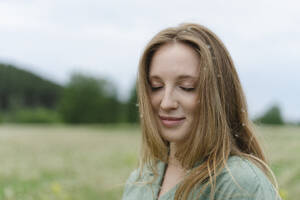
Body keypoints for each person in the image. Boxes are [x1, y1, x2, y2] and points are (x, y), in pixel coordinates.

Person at [122, 23, 281, 200]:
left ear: (219, 95)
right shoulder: (139, 181)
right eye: (156, 86)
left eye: (186, 87)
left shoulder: (240, 184)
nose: (166, 103)